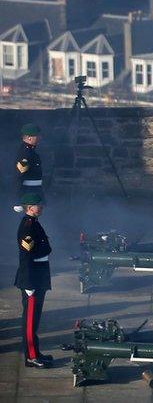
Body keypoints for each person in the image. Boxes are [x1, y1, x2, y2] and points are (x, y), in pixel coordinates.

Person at [15, 193, 52, 368]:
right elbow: (27, 257)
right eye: (38, 205)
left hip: (39, 277)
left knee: (35, 319)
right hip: (32, 279)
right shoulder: (28, 227)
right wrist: (29, 284)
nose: (41, 207)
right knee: (29, 321)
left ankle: (36, 352)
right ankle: (31, 356)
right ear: (30, 207)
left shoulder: (34, 223)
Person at [15, 124, 43, 197]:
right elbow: (19, 176)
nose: (40, 138)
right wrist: (18, 199)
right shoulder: (25, 153)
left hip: (35, 191)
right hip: (28, 193)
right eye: (37, 136)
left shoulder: (31, 151)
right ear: (29, 137)